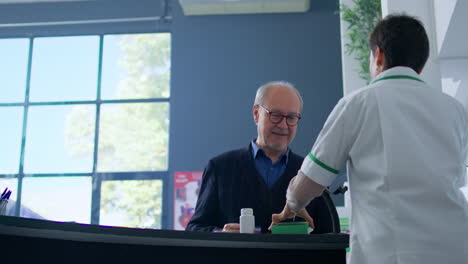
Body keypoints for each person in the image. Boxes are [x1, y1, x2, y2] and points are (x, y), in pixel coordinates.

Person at [270, 14, 468, 263]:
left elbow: (310, 183)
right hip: (455, 249)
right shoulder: (455, 109)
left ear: (379, 55)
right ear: (422, 63)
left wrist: (293, 202)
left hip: (391, 254)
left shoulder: (358, 103)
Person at [186, 81, 336, 233]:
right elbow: (194, 229)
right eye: (275, 115)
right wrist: (220, 234)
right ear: (256, 114)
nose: (283, 125)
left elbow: (329, 236)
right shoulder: (220, 167)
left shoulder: (311, 172)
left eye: (291, 117)